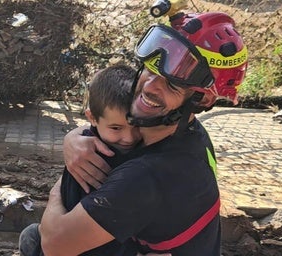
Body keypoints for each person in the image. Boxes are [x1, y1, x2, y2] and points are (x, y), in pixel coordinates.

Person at [40, 11, 248, 256]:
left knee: (36, 238)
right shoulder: (188, 133)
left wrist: (57, 189)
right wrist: (73, 138)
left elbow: (54, 245)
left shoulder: (147, 177)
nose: (150, 87)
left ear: (201, 100)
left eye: (171, 84)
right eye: (152, 69)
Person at [19, 64, 146, 256]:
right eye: (116, 128)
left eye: (136, 125)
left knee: (31, 236)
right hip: (81, 242)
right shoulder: (90, 157)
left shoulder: (84, 144)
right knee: (32, 236)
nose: (128, 138)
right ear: (92, 118)